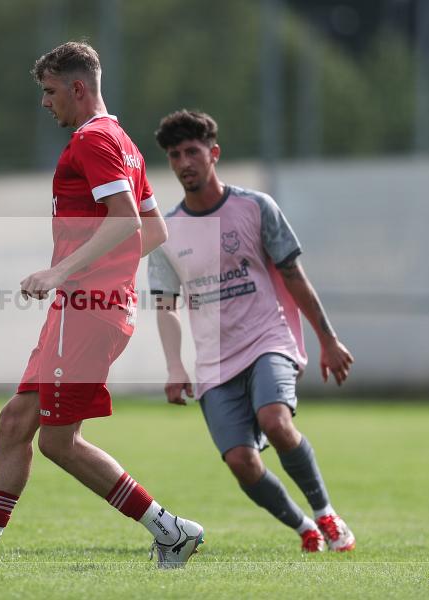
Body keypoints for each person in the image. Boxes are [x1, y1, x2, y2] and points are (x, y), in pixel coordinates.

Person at [0, 43, 204, 569]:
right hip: (91, 307)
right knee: (19, 424)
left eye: (50, 92)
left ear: (78, 88)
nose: (44, 103)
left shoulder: (94, 139)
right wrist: (103, 272)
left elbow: (126, 222)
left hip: (87, 310)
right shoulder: (123, 141)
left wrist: (65, 271)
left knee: (54, 441)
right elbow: (154, 229)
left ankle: (170, 529)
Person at [147, 109, 356, 552]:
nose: (184, 162)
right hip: (213, 361)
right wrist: (173, 366)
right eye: (174, 155)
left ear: (214, 153)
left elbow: (294, 276)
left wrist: (328, 339)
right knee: (242, 461)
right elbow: (165, 306)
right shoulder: (166, 233)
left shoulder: (256, 207)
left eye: (192, 151)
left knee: (274, 420)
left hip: (268, 339)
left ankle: (327, 513)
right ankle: (305, 528)